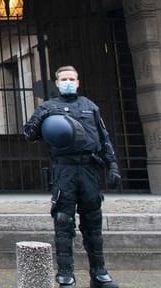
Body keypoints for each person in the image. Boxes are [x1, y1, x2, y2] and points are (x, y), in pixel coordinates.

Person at [23, 65, 122, 288]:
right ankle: (65, 274)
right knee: (63, 221)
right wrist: (43, 116)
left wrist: (112, 165)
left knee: (93, 222)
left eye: (71, 78)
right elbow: (29, 134)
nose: (68, 82)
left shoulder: (90, 106)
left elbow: (103, 137)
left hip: (89, 169)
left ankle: (99, 273)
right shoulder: (48, 107)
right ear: (57, 83)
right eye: (64, 79)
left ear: (78, 82)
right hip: (65, 170)